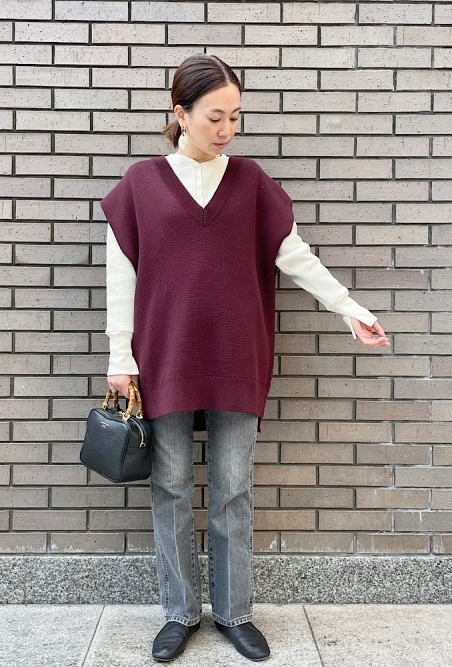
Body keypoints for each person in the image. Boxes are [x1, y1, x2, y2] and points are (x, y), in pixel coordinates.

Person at [102, 54, 389, 663]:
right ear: (180, 114)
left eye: (235, 117)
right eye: (215, 117)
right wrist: (119, 359)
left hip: (238, 355)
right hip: (163, 359)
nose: (227, 129)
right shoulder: (140, 186)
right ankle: (179, 612)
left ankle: (234, 613)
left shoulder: (252, 182)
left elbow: (296, 255)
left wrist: (350, 309)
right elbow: (120, 279)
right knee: (170, 487)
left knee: (233, 489)